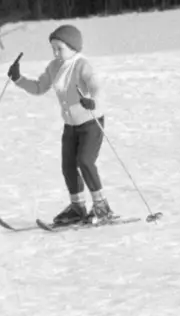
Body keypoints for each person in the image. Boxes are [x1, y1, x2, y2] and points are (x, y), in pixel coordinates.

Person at [7, 24, 115, 226]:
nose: (56, 53)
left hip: (91, 122)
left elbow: (96, 87)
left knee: (85, 161)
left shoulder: (82, 65)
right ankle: (77, 207)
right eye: (53, 48)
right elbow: (39, 87)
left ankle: (102, 207)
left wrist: (92, 100)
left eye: (60, 48)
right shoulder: (54, 67)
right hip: (70, 125)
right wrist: (18, 79)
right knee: (68, 166)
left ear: (73, 48)